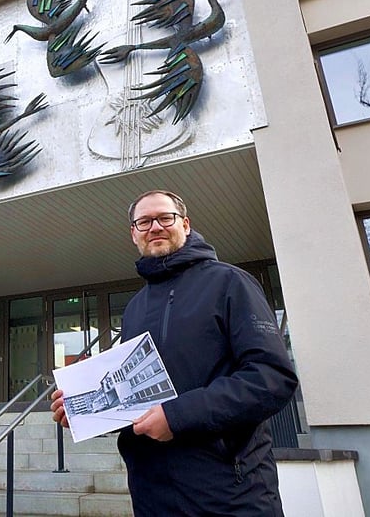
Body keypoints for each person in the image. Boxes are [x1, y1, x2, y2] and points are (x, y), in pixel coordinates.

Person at [51, 190, 298, 516]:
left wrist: (177, 416)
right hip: (152, 492)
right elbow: (135, 399)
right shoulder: (135, 308)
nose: (155, 227)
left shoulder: (230, 283)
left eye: (164, 218)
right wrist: (86, 413)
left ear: (185, 223)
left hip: (228, 491)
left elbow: (271, 377)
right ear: (134, 234)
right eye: (144, 222)